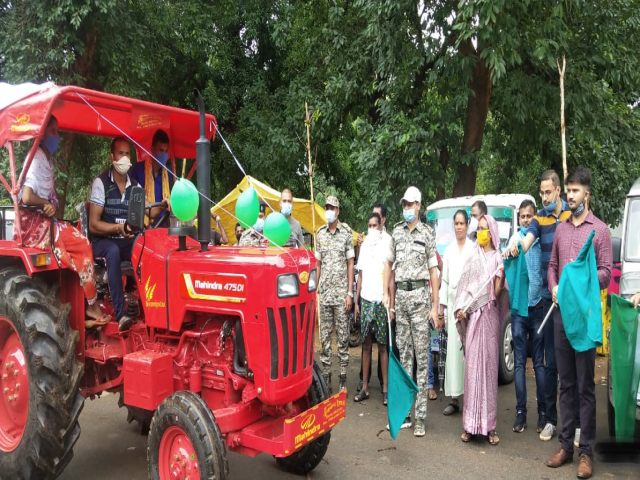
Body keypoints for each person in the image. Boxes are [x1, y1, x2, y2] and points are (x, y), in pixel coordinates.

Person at [545, 167, 612, 479]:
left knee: (586, 387)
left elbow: (606, 274)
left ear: (587, 194)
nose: (570, 195)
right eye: (568, 190)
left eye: (575, 191)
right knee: (566, 384)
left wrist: (580, 278)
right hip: (561, 318)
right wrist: (556, 286)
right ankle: (565, 446)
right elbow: (552, 267)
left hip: (584, 321)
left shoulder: (599, 231)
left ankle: (586, 452)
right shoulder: (561, 229)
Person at [19, 116, 109, 328]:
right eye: (53, 132)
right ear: (41, 134)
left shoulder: (46, 158)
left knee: (78, 238)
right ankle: (90, 305)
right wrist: (44, 204)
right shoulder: (36, 159)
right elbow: (26, 197)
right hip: (36, 225)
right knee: (82, 244)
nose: (57, 137)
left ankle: (81, 306)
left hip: (48, 222)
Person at [510, 170, 573, 441]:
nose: (544, 197)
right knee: (549, 363)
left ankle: (577, 425)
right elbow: (528, 239)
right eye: (541, 192)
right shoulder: (539, 219)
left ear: (558, 190)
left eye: (548, 192)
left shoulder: (573, 215)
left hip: (572, 300)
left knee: (573, 363)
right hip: (549, 300)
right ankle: (549, 419)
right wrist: (517, 247)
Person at [383, 186, 441, 437]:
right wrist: (387, 295)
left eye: (410, 204)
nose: (406, 208)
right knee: (404, 358)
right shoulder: (395, 232)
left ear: (418, 205)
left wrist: (435, 306)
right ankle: (406, 412)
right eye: (404, 204)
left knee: (421, 358)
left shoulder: (427, 233)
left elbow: (433, 271)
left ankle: (420, 417)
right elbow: (388, 265)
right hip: (402, 298)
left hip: (420, 300)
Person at [455, 214, 504, 446]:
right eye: (480, 228)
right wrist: (461, 309)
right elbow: (464, 288)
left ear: (492, 232)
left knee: (488, 371)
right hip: (473, 319)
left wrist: (500, 277)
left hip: (490, 321)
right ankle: (469, 426)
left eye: (486, 229)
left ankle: (489, 427)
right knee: (473, 370)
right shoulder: (473, 256)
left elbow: (497, 293)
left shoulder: (498, 258)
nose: (482, 233)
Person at [89, 136, 138, 331]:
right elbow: (93, 224)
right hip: (102, 243)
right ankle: (121, 314)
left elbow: (148, 213)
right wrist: (118, 228)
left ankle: (147, 307)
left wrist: (164, 205)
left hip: (125, 241)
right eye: (121, 153)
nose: (124, 158)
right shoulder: (101, 183)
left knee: (144, 246)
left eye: (127, 154)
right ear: (112, 157)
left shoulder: (135, 186)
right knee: (113, 252)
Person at [506, 199, 546, 433]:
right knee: (519, 363)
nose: (526, 220)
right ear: (518, 218)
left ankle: (543, 413)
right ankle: (521, 413)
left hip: (539, 306)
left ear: (535, 218)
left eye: (530, 216)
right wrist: (511, 250)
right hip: (519, 310)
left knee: (539, 363)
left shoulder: (540, 240)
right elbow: (509, 253)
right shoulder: (515, 239)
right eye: (522, 216)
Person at [316, 195, 355, 393]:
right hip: (324, 295)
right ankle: (326, 381)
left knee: (342, 338)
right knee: (324, 339)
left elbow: (350, 264)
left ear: (338, 210)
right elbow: (318, 263)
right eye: (327, 207)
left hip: (341, 296)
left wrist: (349, 293)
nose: (329, 210)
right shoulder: (319, 234)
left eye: (332, 207)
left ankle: (342, 380)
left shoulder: (346, 234)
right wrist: (315, 286)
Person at [439, 209, 474, 416]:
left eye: (462, 223)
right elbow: (444, 281)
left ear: (467, 225)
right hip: (453, 307)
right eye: (456, 223)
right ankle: (454, 399)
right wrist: (442, 309)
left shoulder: (473, 249)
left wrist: (469, 305)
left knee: (469, 354)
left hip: (469, 307)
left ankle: (471, 398)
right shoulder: (449, 250)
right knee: (453, 353)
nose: (459, 226)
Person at [353, 212, 391, 404]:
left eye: (374, 225)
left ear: (381, 226)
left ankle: (385, 389)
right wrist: (357, 301)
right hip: (367, 300)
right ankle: (365, 387)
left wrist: (390, 300)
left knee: (383, 347)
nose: (371, 229)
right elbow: (360, 275)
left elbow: (390, 275)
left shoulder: (386, 244)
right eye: (369, 225)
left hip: (381, 301)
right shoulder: (365, 245)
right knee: (366, 345)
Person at [130, 129, 172, 225]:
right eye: (161, 150)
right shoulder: (138, 170)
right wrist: (162, 205)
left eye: (166, 151)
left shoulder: (168, 173)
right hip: (142, 225)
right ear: (152, 150)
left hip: (164, 223)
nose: (164, 155)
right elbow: (137, 203)